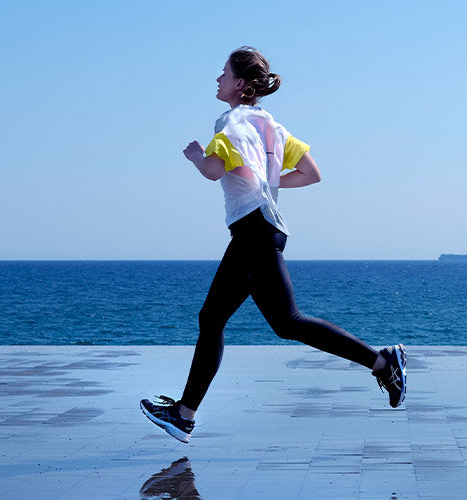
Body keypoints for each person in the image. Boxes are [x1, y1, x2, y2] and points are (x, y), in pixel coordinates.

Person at [142, 46, 406, 444]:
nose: (218, 79)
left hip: (252, 231)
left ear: (241, 85)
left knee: (220, 319)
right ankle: (382, 362)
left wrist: (196, 156)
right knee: (280, 323)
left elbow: (214, 171)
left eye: (223, 74)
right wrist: (268, 185)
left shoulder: (229, 122)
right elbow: (310, 173)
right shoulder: (271, 126)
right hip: (265, 229)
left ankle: (184, 415)